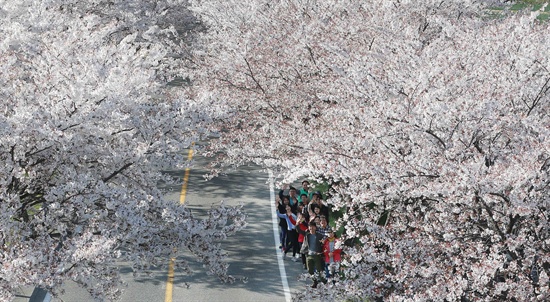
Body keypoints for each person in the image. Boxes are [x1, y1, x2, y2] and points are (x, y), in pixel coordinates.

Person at [296, 219, 326, 288]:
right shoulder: (307, 234)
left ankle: (324, 282)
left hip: (317, 255)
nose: (311, 228)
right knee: (310, 270)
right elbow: (299, 230)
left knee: (319, 270)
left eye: (312, 227)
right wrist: (297, 224)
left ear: (315, 227)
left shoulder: (319, 236)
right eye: (310, 227)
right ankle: (315, 282)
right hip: (309, 255)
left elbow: (325, 241)